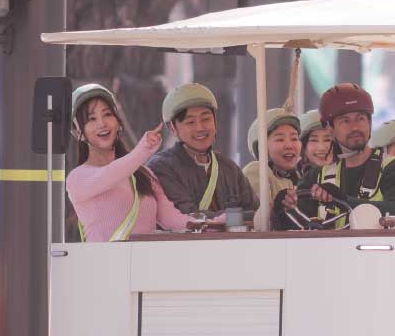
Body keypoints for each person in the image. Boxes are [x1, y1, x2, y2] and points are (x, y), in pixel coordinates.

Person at [67, 83, 211, 241]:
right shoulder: (77, 178)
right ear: (77, 130)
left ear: (117, 121)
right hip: (104, 264)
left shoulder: (143, 174)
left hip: (143, 263)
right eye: (91, 119)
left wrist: (213, 224)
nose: (102, 124)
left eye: (107, 114)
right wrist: (142, 151)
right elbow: (109, 175)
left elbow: (171, 219)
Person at [283, 84, 395, 228]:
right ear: (329, 128)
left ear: (370, 122)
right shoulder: (314, 178)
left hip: (382, 249)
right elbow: (294, 225)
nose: (355, 127)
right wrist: (284, 204)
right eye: (345, 121)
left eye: (360, 119)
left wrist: (343, 200)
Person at [147, 83, 256, 218]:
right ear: (172, 129)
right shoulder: (161, 167)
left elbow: (256, 214)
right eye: (190, 122)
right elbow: (188, 217)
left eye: (206, 119)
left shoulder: (229, 168)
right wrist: (238, 217)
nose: (200, 128)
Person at [243, 108, 302, 212]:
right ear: (261, 146)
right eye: (280, 139)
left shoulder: (291, 179)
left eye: (294, 138)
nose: (289, 145)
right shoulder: (257, 170)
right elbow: (264, 217)